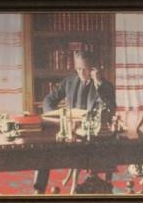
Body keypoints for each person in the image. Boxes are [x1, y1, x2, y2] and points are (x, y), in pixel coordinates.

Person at [35, 51, 117, 193]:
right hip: (70, 134)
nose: (81, 73)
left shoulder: (105, 86)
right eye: (78, 69)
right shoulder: (69, 82)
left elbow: (110, 109)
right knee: (43, 151)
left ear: (93, 68)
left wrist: (98, 84)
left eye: (85, 69)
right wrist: (58, 116)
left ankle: (95, 187)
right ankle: (38, 189)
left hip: (92, 139)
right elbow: (48, 100)